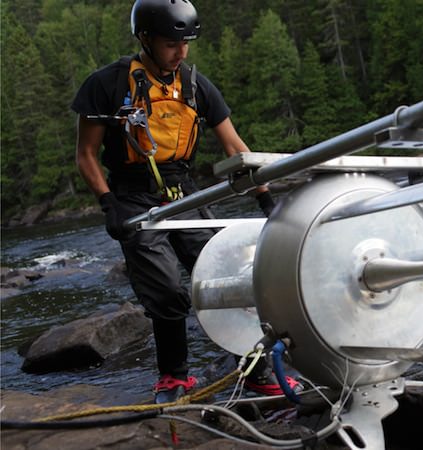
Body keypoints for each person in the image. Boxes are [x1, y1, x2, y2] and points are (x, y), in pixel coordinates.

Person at [72, 0, 291, 403]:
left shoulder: (194, 85)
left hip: (182, 189)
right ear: (145, 39)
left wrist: (266, 199)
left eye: (186, 42)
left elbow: (234, 146)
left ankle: (258, 372)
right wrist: (108, 204)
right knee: (168, 289)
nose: (182, 52)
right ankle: (173, 377)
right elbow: (86, 154)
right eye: (172, 43)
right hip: (132, 194)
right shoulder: (106, 85)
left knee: (227, 278)